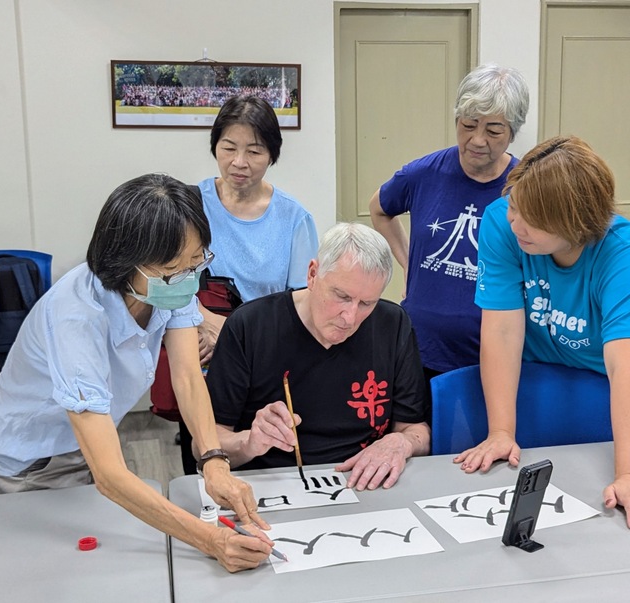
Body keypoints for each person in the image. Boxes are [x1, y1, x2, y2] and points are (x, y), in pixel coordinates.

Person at [0, 173, 274, 571]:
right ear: (124, 262)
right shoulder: (75, 316)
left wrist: (214, 461)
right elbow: (110, 476)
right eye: (171, 268)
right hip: (34, 461)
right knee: (65, 572)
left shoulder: (167, 288)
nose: (187, 279)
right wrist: (211, 540)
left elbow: (188, 377)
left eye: (196, 262)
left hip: (85, 441)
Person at [454, 136, 630, 527]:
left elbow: (624, 365)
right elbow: (501, 332)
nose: (514, 222)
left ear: (575, 221)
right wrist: (501, 431)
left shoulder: (621, 252)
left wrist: (627, 474)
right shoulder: (502, 223)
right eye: (513, 205)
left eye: (530, 217)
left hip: (604, 388)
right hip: (535, 377)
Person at [205, 222, 430, 490]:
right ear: (313, 274)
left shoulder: (392, 324)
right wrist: (249, 442)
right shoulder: (251, 326)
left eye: (366, 303)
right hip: (272, 483)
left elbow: (416, 430)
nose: (350, 318)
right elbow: (206, 443)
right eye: (342, 296)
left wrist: (401, 442)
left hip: (363, 482)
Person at [369, 64, 530, 409]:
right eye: (468, 125)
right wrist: (409, 264)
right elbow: (379, 209)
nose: (477, 140)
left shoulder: (527, 186)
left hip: (494, 358)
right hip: (421, 351)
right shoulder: (424, 173)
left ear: (513, 132)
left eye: (493, 130)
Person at [174, 94, 319, 474]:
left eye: (254, 151)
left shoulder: (294, 218)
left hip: (262, 366)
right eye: (229, 148)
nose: (239, 162)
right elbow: (167, 278)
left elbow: (301, 303)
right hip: (199, 360)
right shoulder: (188, 205)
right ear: (215, 147)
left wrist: (231, 335)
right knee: (201, 464)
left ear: (272, 154)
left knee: (262, 462)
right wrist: (201, 320)